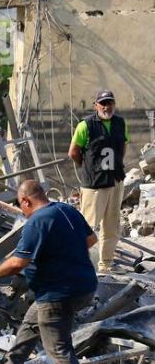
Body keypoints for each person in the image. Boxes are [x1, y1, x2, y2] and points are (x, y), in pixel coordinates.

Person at [0, 180, 100, 364]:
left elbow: (17, 263)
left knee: (58, 348)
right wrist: (63, 255)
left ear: (26, 200)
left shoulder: (37, 221)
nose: (22, 210)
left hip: (58, 293)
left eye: (20, 205)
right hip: (83, 286)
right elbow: (91, 240)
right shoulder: (67, 210)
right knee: (31, 323)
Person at [69, 89, 129, 273]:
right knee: (89, 226)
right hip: (95, 183)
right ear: (95, 105)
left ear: (114, 104)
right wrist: (87, 167)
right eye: (103, 103)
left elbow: (123, 146)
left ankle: (106, 264)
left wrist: (117, 165)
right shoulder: (86, 125)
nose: (106, 107)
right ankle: (81, 264)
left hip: (115, 180)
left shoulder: (120, 123)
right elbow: (73, 152)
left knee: (112, 225)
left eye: (109, 103)